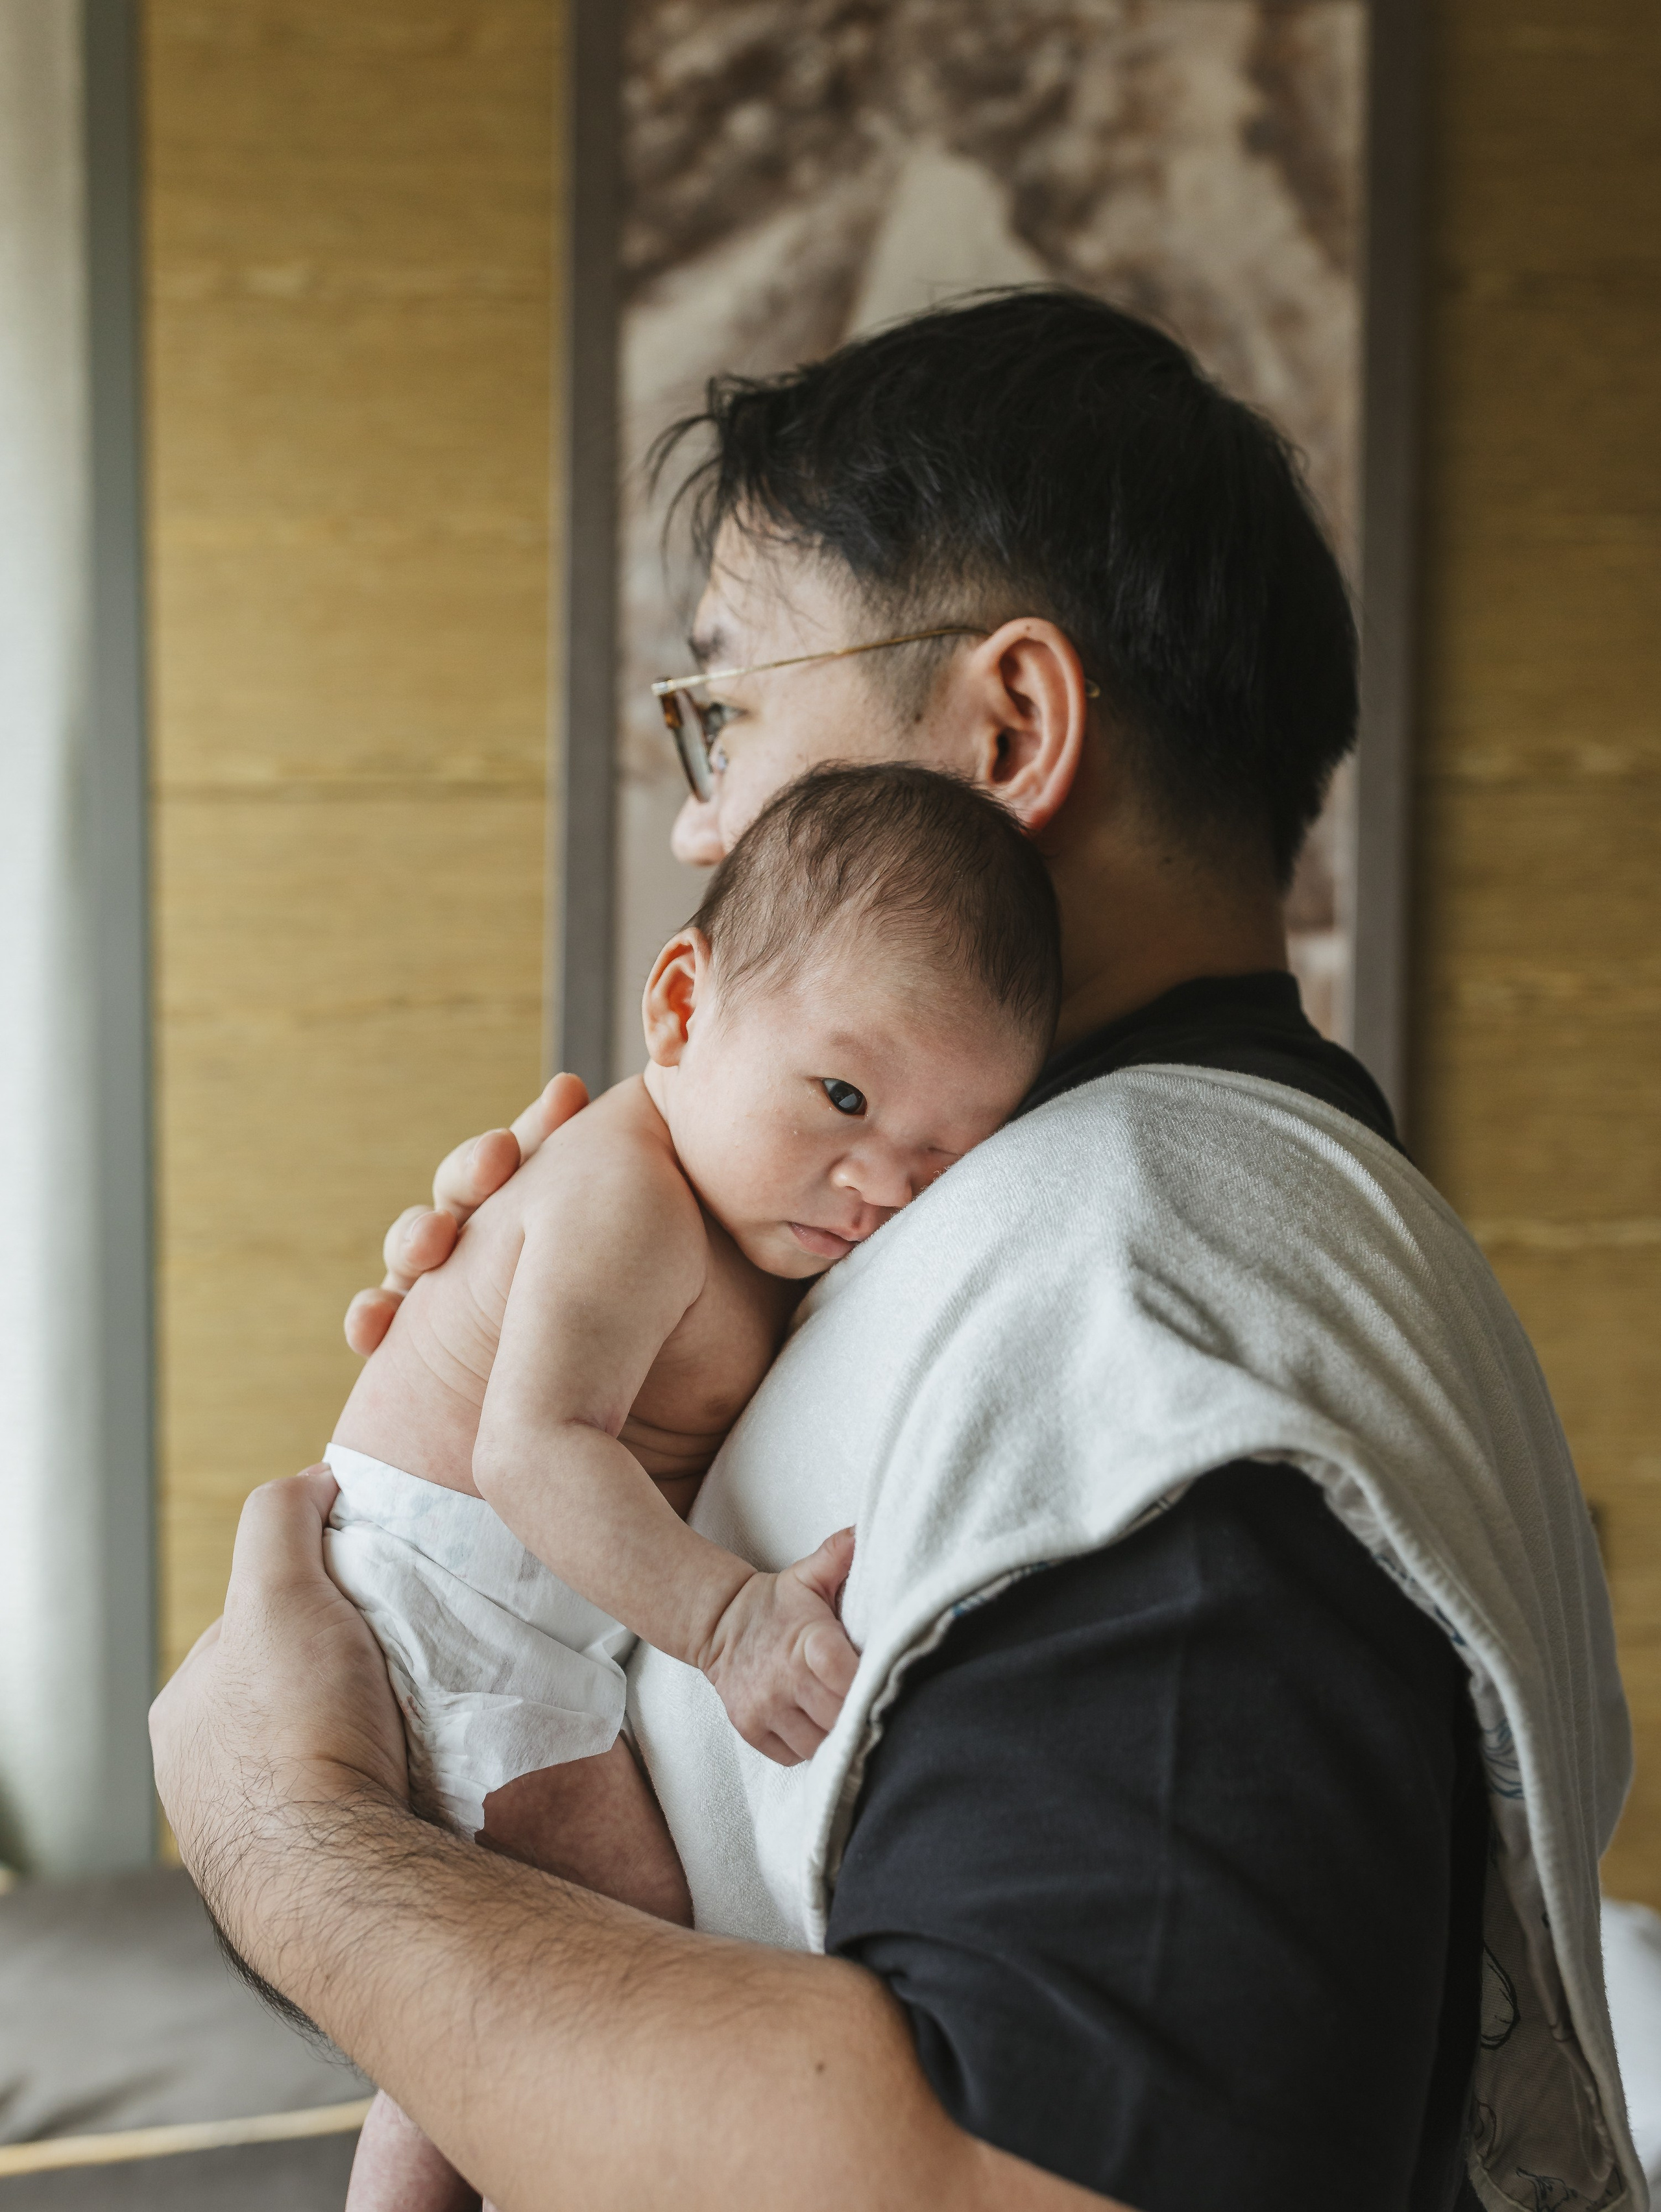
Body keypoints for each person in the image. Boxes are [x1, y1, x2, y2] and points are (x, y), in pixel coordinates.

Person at [152, 291, 1640, 2212]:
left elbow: (1021, 2181)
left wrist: (294, 1835)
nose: (701, 821)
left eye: (726, 708)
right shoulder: (1099, 1234)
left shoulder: (1142, 1294)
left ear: (1010, 725)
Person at [328, 764, 1060, 2209]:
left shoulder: (749, 1208)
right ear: (678, 1008)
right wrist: (727, 1626)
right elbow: (530, 1450)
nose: (874, 1184)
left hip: (500, 1594)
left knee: (515, 1985)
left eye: (938, 1158)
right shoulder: (629, 1197)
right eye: (843, 1095)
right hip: (444, 1595)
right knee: (621, 1941)